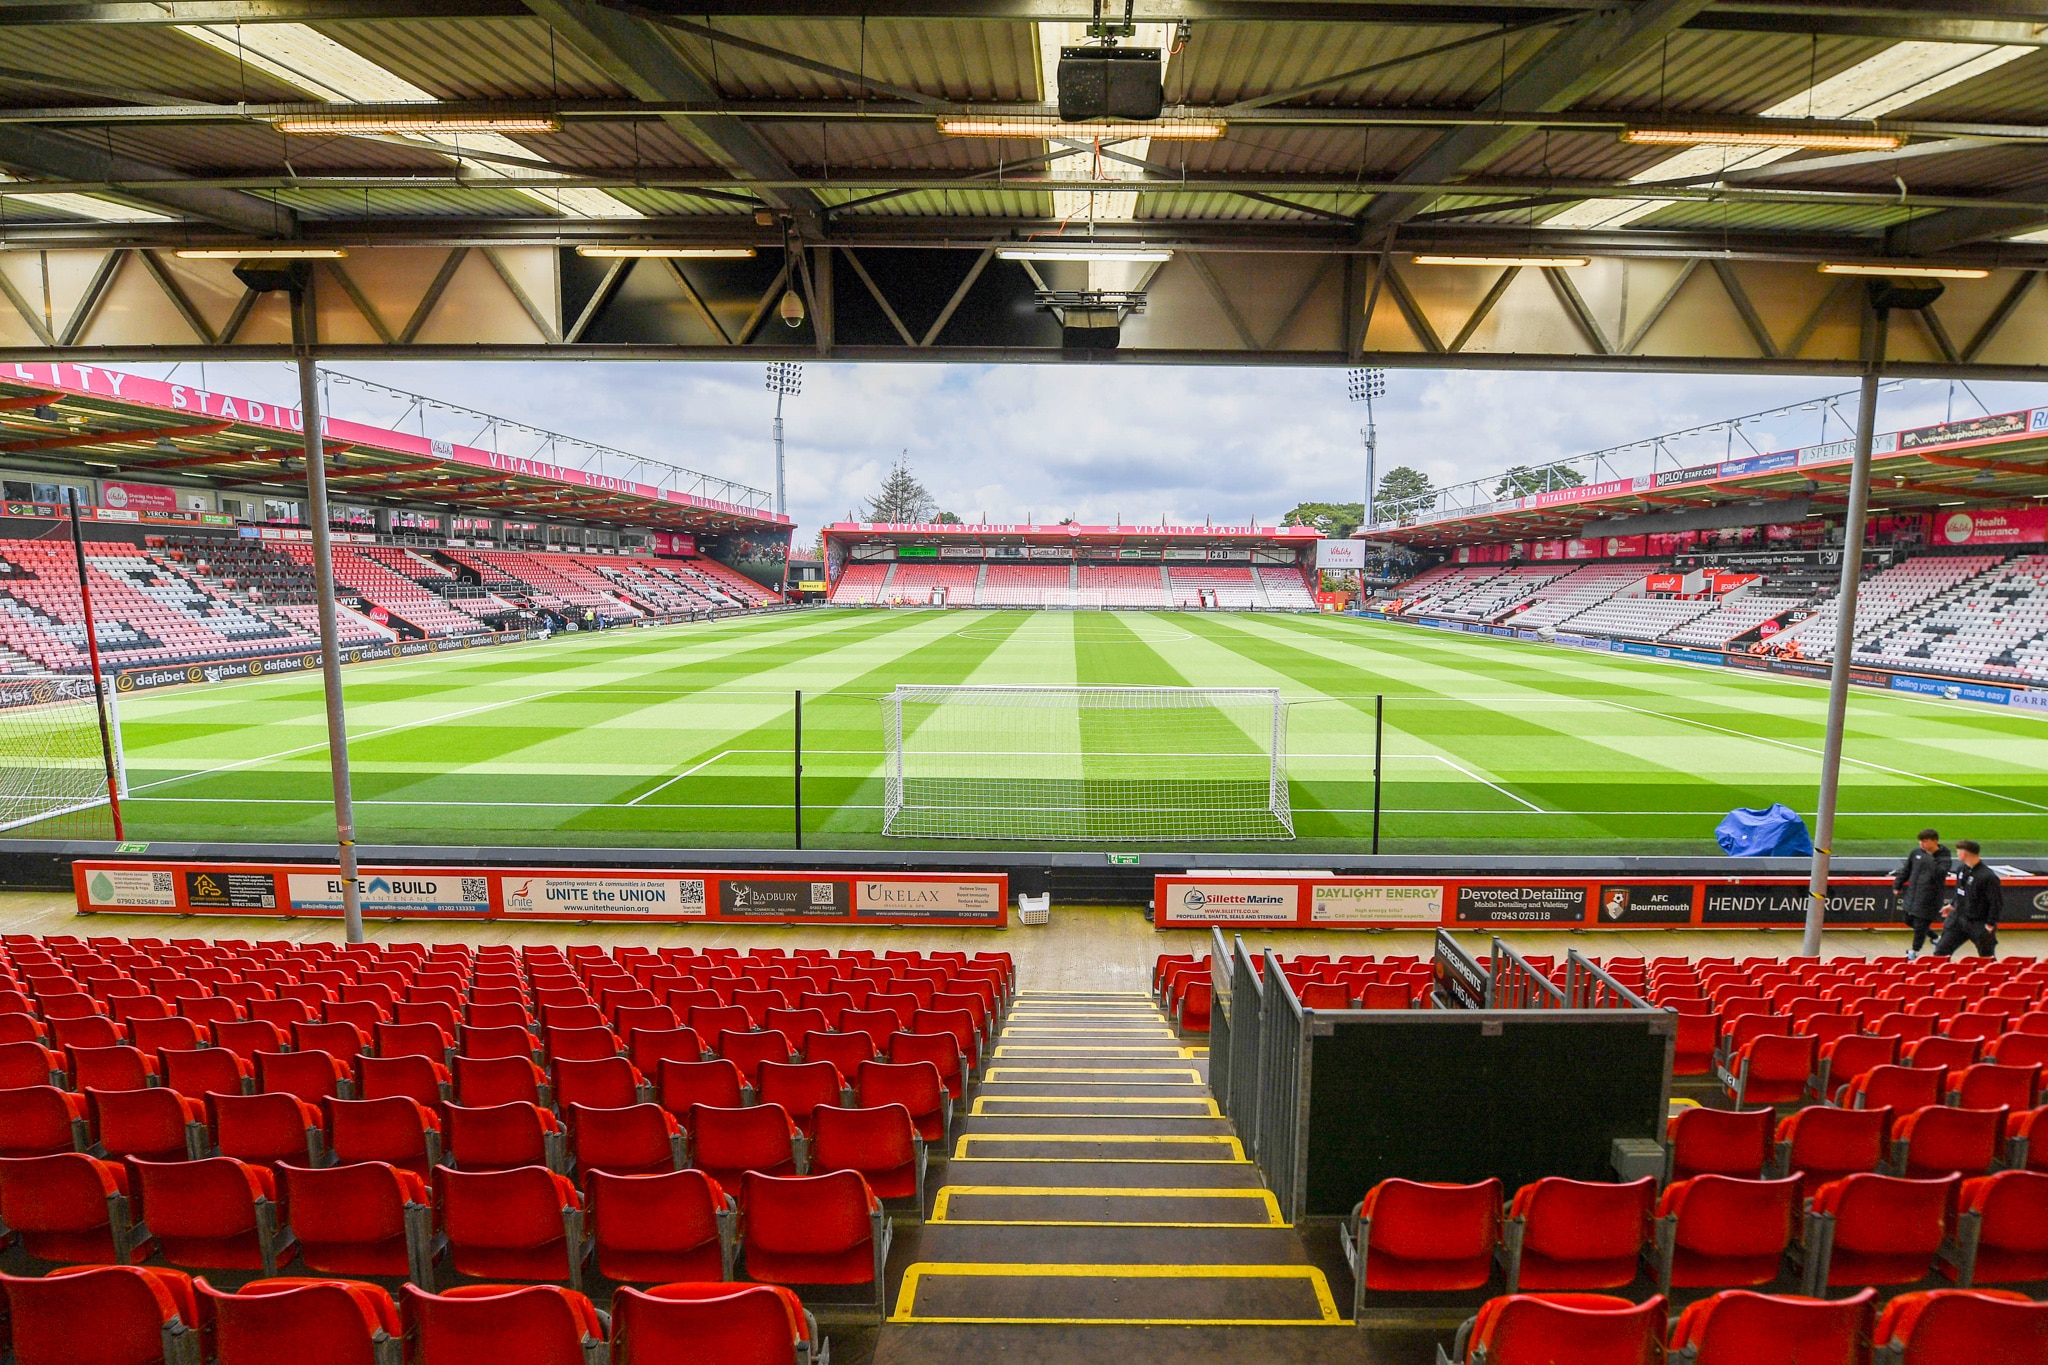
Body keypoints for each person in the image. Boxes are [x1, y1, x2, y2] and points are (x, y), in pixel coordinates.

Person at [1933, 840, 2002, 959]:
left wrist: (1990, 924)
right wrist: (1952, 905)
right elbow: (1960, 892)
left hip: (1978, 923)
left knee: (1986, 956)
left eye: (1958, 851)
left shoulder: (1987, 876)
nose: (1957, 854)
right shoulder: (1961, 869)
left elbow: (1996, 902)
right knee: (1940, 952)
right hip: (1958, 920)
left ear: (1964, 853)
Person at [1893, 827, 1951, 959]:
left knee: (1920, 925)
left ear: (1934, 841)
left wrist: (1929, 858)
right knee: (1908, 920)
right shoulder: (1916, 853)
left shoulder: (1944, 858)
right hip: (1913, 894)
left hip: (1930, 898)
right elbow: (1907, 869)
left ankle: (1914, 951)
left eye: (1925, 841)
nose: (1921, 844)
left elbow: (1940, 873)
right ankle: (1935, 937)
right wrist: (1898, 884)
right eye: (1920, 841)